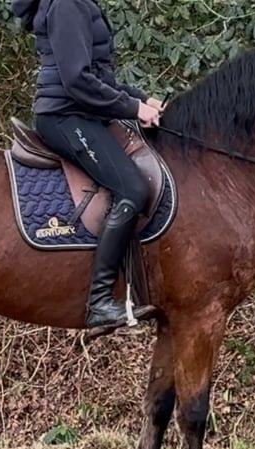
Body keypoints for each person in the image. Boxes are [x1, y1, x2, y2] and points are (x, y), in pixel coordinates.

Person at [11, 0, 165, 335]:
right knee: (132, 189)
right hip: (67, 117)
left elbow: (97, 76)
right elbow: (77, 81)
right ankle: (99, 303)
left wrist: (140, 99)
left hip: (79, 113)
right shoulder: (68, 4)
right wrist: (132, 109)